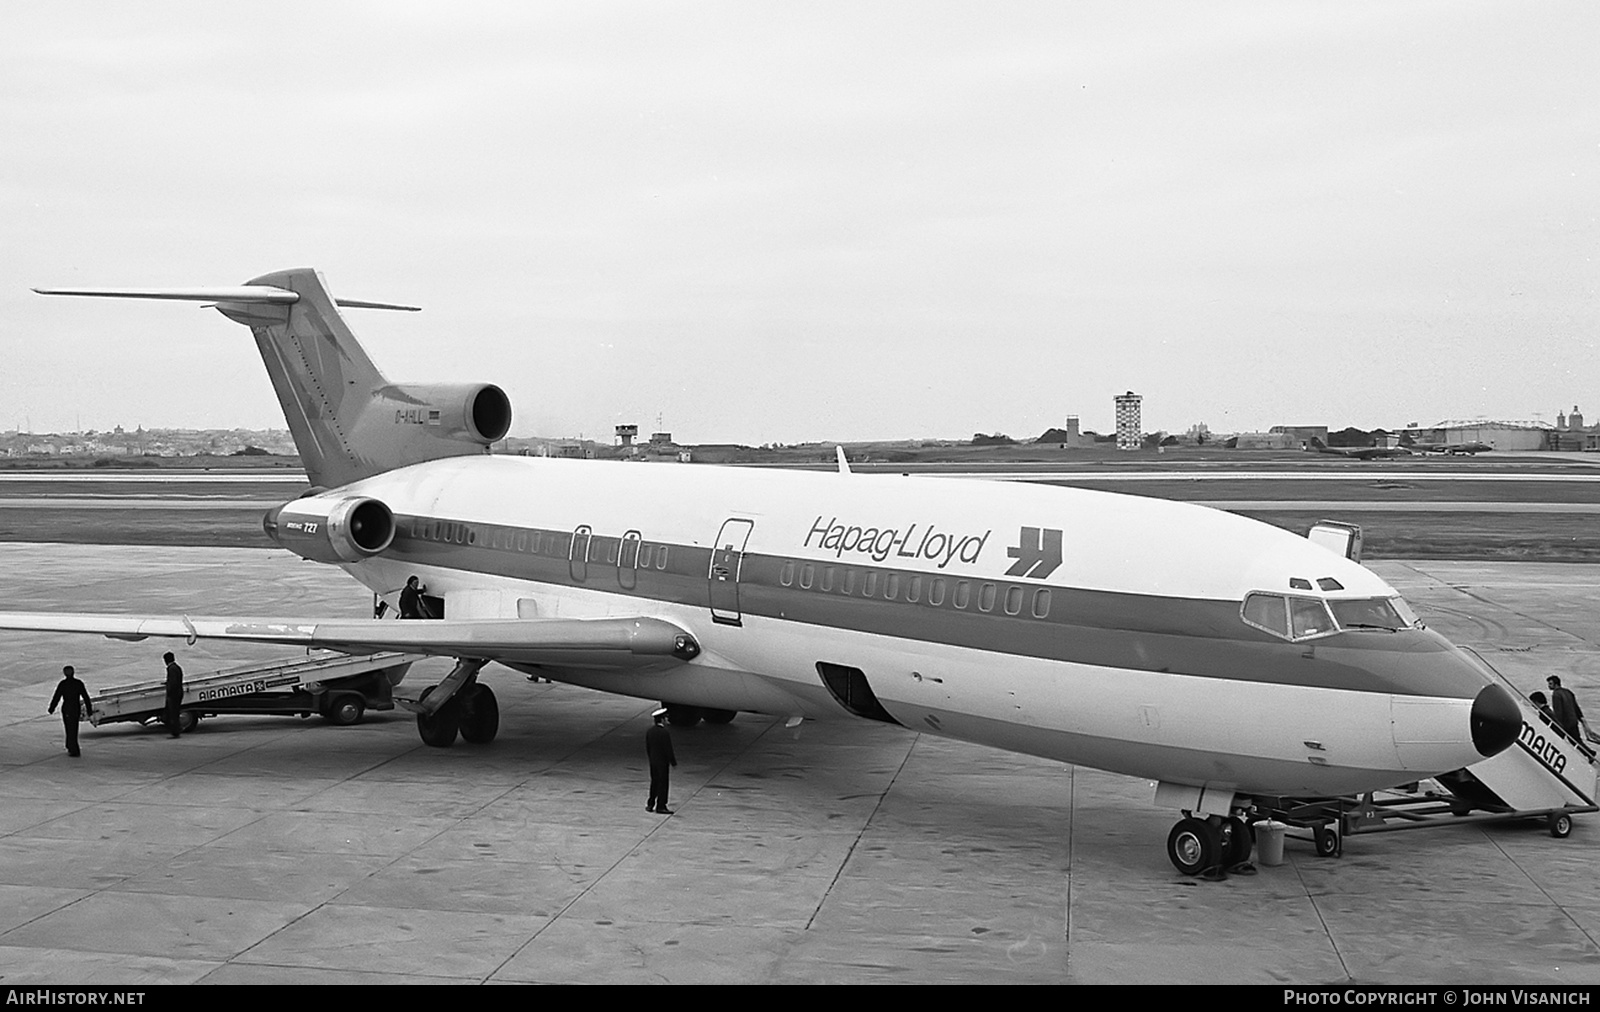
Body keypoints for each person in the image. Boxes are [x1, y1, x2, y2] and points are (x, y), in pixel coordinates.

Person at [48, 665, 94, 757]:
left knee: (68, 728)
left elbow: (57, 696)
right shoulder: (78, 683)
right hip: (76, 708)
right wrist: (89, 710)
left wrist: (52, 708)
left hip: (67, 708)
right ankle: (71, 746)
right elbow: (86, 697)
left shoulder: (63, 684)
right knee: (74, 728)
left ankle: (72, 748)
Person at [645, 707, 677, 815]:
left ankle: (650, 804)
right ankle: (661, 805)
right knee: (663, 783)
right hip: (662, 763)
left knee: (654, 782)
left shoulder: (650, 731)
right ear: (662, 719)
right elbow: (668, 749)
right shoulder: (664, 733)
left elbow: (648, 747)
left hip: (653, 761)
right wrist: (673, 762)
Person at [1547, 676, 1588, 741]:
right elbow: (1576, 707)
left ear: (1556, 684)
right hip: (1574, 721)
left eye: (1550, 684)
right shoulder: (1568, 692)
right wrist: (1581, 718)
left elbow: (1558, 711)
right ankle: (1588, 751)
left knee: (1560, 740)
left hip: (1565, 722)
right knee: (1577, 741)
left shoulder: (1556, 694)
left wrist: (1558, 724)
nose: (1548, 686)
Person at [163, 651, 185, 738]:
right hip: (178, 693)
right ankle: (176, 731)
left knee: (173, 713)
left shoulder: (171, 669)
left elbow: (173, 683)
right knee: (175, 712)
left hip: (174, 695)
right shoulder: (176, 667)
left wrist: (169, 691)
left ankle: (175, 732)